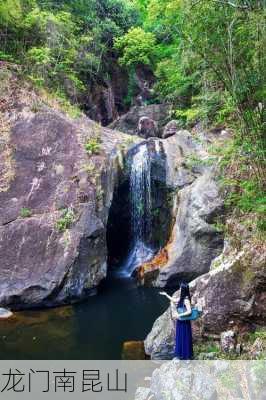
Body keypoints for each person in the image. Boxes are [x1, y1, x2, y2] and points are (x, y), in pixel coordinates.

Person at [159, 282, 193, 360]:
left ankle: (187, 357)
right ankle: (181, 355)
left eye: (181, 288)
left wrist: (179, 315)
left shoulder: (186, 300)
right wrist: (166, 294)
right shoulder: (181, 298)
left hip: (184, 322)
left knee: (185, 338)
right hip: (180, 321)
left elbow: (189, 311)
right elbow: (174, 300)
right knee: (180, 337)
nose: (180, 289)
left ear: (183, 289)